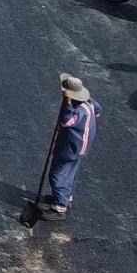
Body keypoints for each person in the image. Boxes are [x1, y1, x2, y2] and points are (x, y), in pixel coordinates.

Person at [41, 75, 101, 219]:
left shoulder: (77, 110)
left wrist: (67, 105)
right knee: (71, 172)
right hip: (81, 146)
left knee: (57, 174)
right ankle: (66, 197)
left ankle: (59, 207)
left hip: (71, 147)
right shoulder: (90, 103)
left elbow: (66, 121)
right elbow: (98, 110)